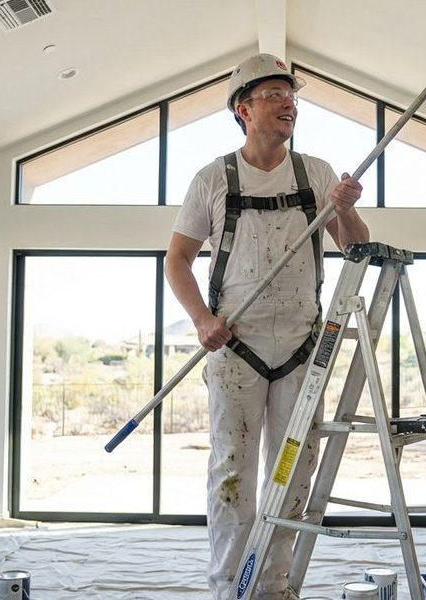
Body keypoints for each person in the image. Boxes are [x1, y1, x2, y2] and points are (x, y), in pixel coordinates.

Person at [166, 53, 370, 600]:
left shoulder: (318, 175)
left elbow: (355, 250)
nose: (289, 104)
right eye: (276, 95)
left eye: (292, 97)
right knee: (232, 472)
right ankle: (228, 589)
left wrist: (346, 209)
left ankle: (275, 587)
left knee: (292, 470)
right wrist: (202, 319)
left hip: (303, 347)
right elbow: (177, 261)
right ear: (243, 109)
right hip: (236, 347)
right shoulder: (212, 179)